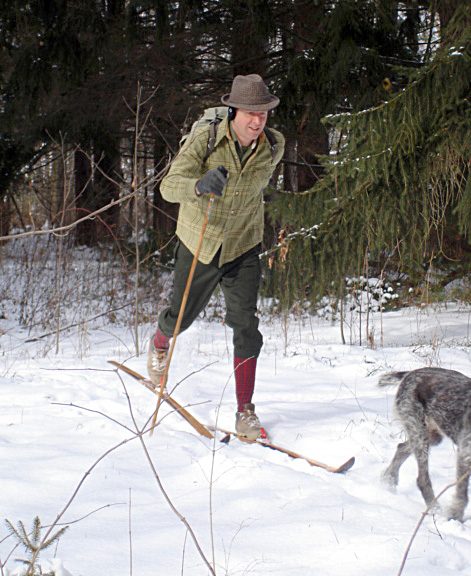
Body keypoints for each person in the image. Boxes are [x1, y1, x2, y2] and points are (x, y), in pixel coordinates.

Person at [148, 73, 285, 440]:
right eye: (250, 114)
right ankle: (160, 343)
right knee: (180, 318)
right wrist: (199, 184)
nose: (257, 122)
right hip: (201, 243)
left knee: (246, 325)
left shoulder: (273, 146)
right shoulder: (206, 137)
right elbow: (168, 186)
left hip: (243, 247)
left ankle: (245, 411)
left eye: (264, 114)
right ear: (234, 110)